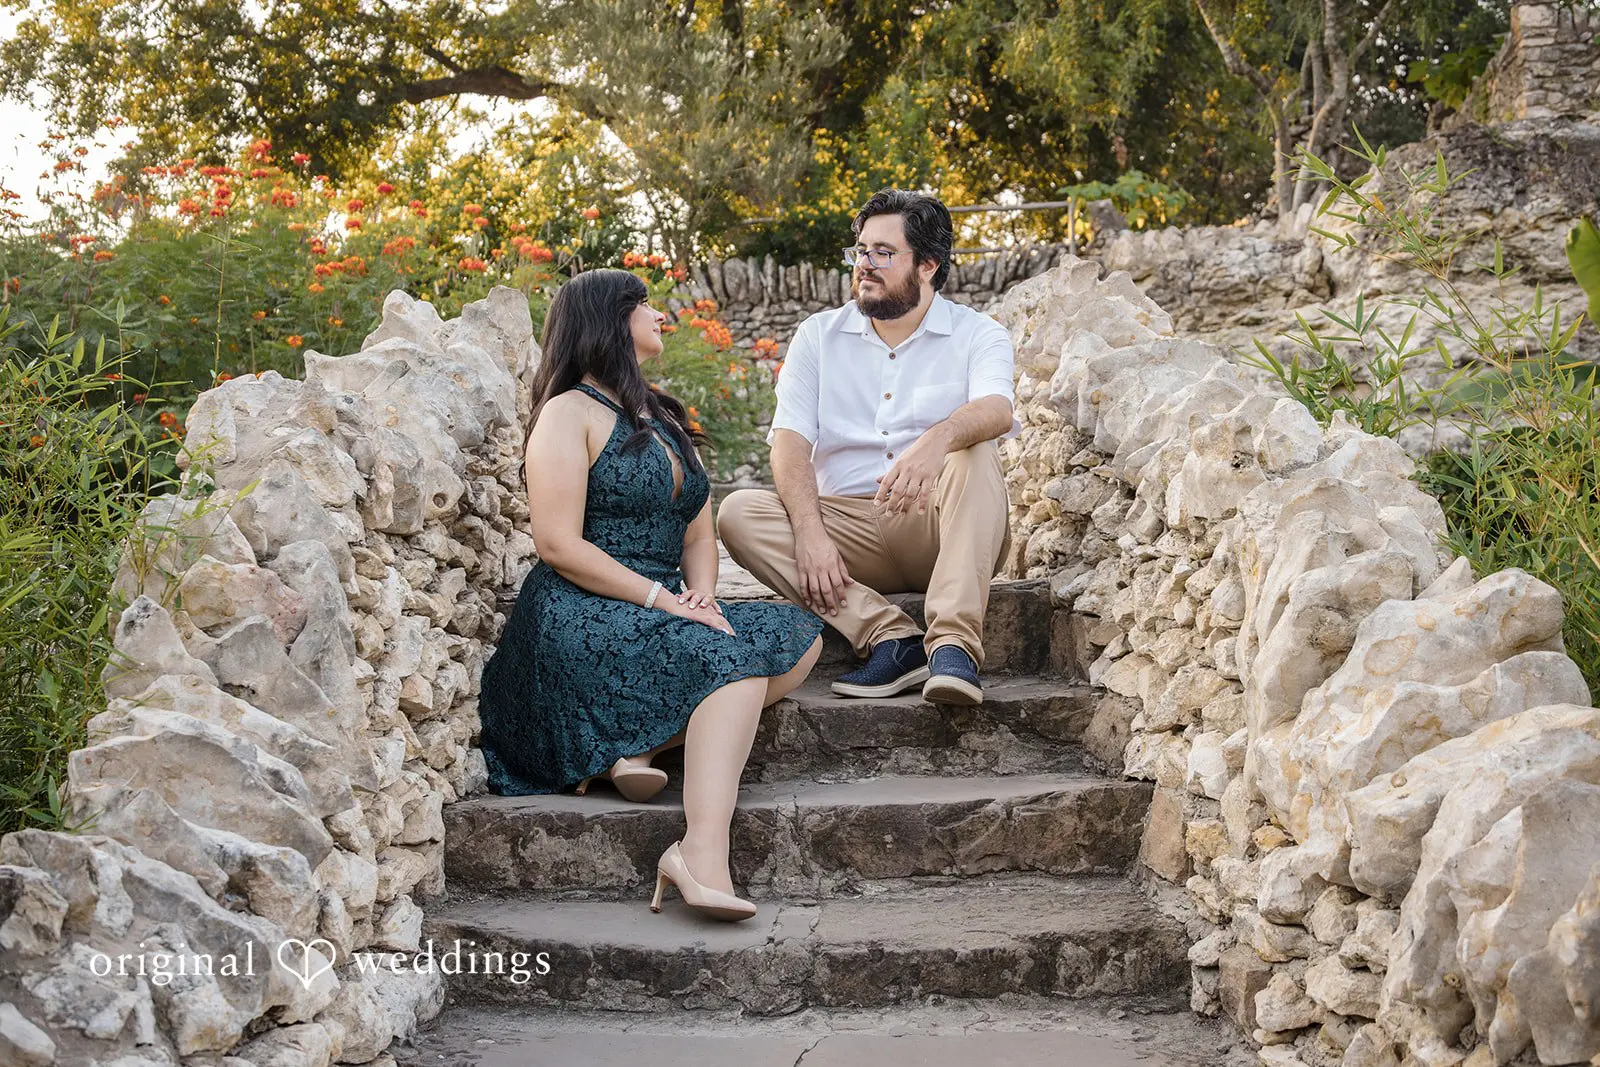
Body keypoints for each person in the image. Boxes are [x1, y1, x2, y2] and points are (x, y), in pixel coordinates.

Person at [477, 269, 824, 922]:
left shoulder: (663, 415)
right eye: (644, 305)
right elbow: (557, 543)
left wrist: (702, 598)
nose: (661, 314)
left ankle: (636, 744)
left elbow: (698, 530)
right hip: (579, 610)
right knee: (735, 665)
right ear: (610, 319)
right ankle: (699, 852)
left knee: (794, 638)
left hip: (662, 603)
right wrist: (664, 603)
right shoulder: (566, 412)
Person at [718, 189, 1016, 706]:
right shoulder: (818, 336)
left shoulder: (978, 333)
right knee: (739, 512)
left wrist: (936, 440)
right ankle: (891, 638)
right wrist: (810, 534)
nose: (864, 265)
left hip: (940, 526)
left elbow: (998, 409)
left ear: (927, 264)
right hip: (848, 532)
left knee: (975, 449)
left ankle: (953, 649)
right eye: (860, 251)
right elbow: (789, 442)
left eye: (882, 252)